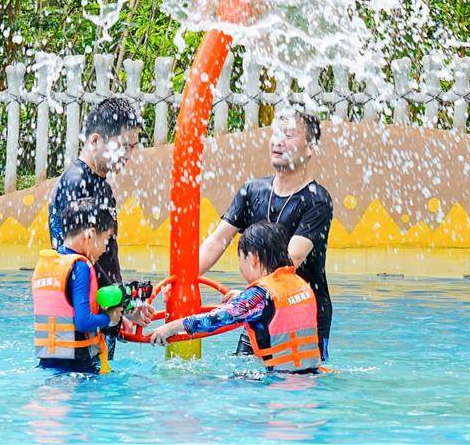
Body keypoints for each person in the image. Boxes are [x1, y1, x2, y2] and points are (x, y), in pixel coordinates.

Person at [197, 110, 333, 360]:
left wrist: (255, 294)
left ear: (311, 147)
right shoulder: (253, 190)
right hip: (260, 306)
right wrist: (185, 277)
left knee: (295, 387)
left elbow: (291, 259)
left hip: (301, 313)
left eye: (289, 135)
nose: (278, 141)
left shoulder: (317, 201)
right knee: (245, 380)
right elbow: (218, 240)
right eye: (276, 134)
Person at [150, 221, 322, 374]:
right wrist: (244, 296)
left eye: (241, 261)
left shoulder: (258, 296)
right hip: (312, 374)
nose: (241, 269)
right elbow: (275, 305)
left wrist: (171, 328)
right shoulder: (299, 284)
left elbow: (215, 319)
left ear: (253, 259)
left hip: (280, 381)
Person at [48, 97, 154, 342]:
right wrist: (120, 308)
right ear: (95, 140)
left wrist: (123, 306)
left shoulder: (100, 185)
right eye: (124, 146)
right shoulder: (76, 185)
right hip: (80, 326)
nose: (129, 155)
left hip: (100, 311)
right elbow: (80, 259)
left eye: (133, 147)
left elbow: (104, 257)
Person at [32, 197, 123, 374]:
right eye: (105, 240)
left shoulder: (51, 263)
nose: (106, 249)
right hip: (77, 368)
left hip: (47, 363)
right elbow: (83, 322)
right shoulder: (80, 267)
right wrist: (110, 318)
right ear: (89, 235)